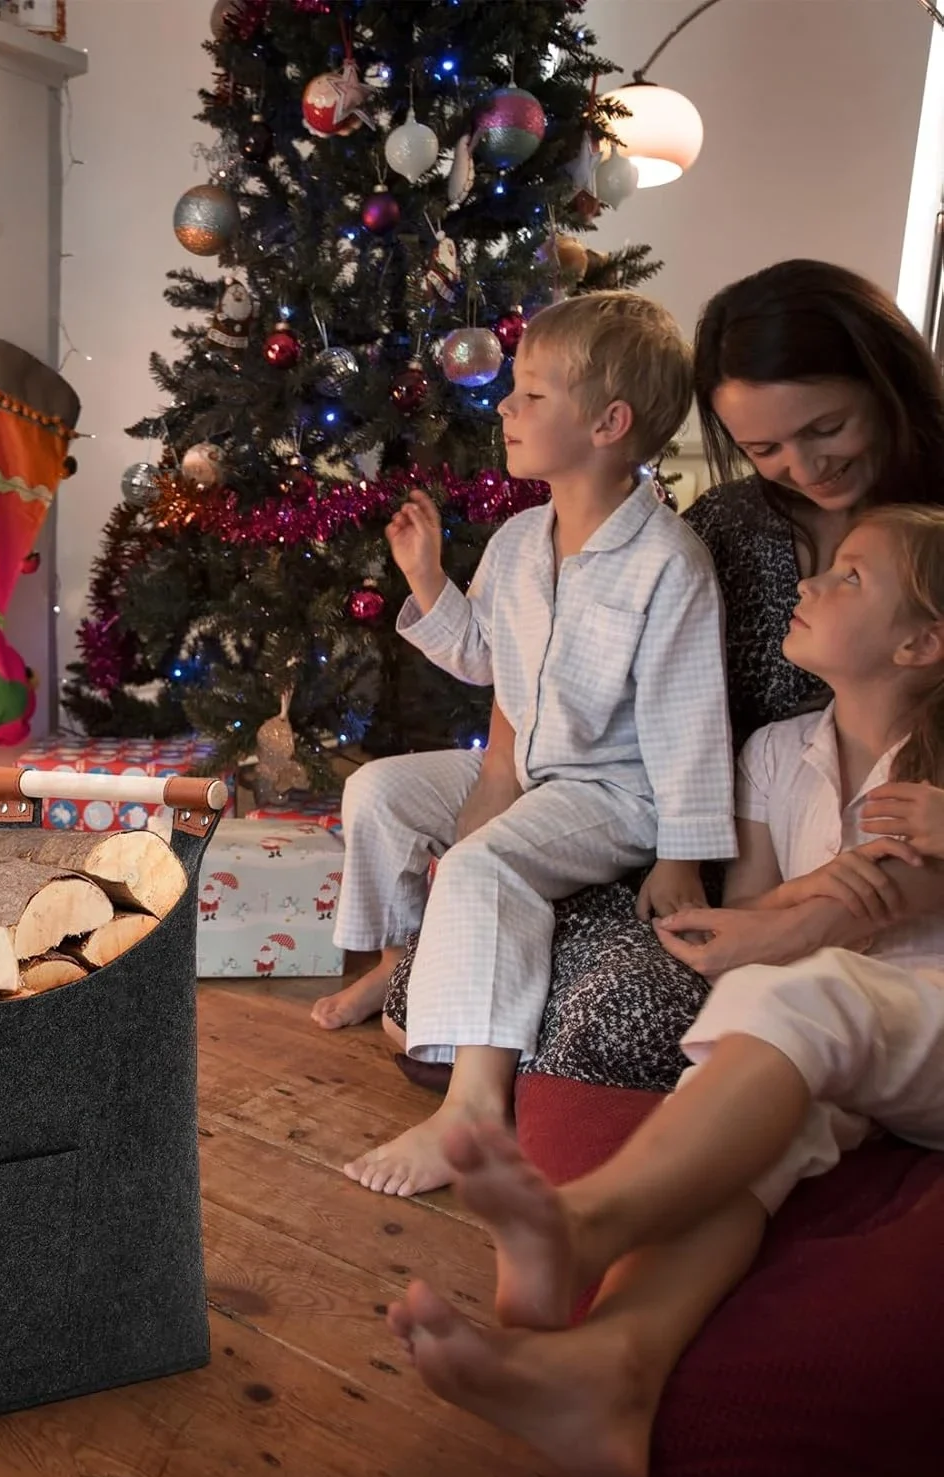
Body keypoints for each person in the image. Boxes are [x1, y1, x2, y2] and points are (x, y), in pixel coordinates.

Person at [387, 503, 944, 1477]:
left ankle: (588, 1223)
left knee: (805, 988)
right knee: (747, 1129)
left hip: (920, 1021)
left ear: (922, 642)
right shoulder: (776, 754)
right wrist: (813, 897)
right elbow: (741, 924)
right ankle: (614, 1371)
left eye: (851, 577)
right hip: (847, 1051)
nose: (811, 583)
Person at [371, 259, 944, 1097]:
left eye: (826, 428)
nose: (804, 466)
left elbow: (689, 719)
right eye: (763, 449)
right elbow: (546, 660)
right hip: (702, 850)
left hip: (859, 874)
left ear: (885, 387)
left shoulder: (925, 543)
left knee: (611, 1023)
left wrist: (802, 918)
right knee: (437, 989)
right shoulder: (727, 524)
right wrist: (500, 776)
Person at [318, 292, 736, 1197]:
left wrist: (683, 856)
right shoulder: (517, 541)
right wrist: (427, 582)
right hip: (530, 766)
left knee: (483, 864)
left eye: (533, 394)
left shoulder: (668, 564)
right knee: (377, 791)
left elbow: (691, 723)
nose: (505, 406)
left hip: (612, 794)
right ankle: (394, 960)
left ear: (608, 423)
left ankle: (471, 1110)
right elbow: (485, 658)